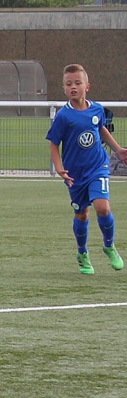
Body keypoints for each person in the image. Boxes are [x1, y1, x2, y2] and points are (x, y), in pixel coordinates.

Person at [47, 64, 127, 274]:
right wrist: (59, 167)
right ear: (64, 89)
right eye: (68, 84)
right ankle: (82, 253)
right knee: (82, 214)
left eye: (77, 83)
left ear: (87, 86)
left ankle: (109, 246)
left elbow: (101, 129)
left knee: (103, 207)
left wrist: (118, 150)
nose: (73, 87)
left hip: (97, 166)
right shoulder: (64, 116)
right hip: (75, 174)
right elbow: (54, 143)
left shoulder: (97, 109)